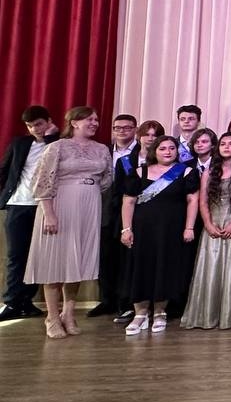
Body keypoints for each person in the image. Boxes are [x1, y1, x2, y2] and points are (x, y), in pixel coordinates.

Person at [24, 107, 112, 339]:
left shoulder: (102, 149)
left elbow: (106, 180)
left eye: (96, 119)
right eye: (89, 119)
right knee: (55, 261)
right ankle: (52, 317)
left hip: (89, 207)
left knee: (78, 262)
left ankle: (69, 314)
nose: (95, 123)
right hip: (60, 206)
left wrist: (88, 191)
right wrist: (49, 214)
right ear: (74, 122)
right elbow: (42, 181)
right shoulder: (57, 147)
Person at [119, 135, 199, 335]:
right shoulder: (139, 172)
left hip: (171, 229)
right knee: (141, 267)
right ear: (154, 151)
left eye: (171, 148)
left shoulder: (187, 172)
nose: (167, 152)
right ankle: (140, 313)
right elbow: (128, 201)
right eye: (162, 148)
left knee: (166, 266)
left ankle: (160, 312)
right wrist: (126, 229)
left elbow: (192, 201)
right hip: (143, 229)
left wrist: (189, 227)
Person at [182, 133, 231, 330]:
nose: (226, 147)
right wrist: (208, 224)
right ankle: (210, 313)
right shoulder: (209, 172)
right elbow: (202, 202)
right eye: (223, 144)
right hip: (214, 222)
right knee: (211, 266)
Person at [0, 107, 64, 321]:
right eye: (30, 126)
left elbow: (58, 163)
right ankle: (12, 302)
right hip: (18, 204)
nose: (35, 129)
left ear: (49, 122)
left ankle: (27, 302)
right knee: (16, 255)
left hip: (44, 206)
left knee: (38, 256)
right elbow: (5, 170)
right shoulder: (19, 143)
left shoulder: (58, 143)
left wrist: (51, 137)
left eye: (39, 124)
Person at [97, 119, 162, 322]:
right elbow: (118, 193)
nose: (150, 138)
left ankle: (154, 306)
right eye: (146, 134)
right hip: (127, 217)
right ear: (139, 136)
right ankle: (125, 305)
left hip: (155, 219)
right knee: (126, 263)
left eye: (155, 135)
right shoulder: (125, 162)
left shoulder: (166, 161)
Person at [90, 112, 141, 321]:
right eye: (117, 128)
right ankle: (106, 299)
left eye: (127, 128)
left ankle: (125, 302)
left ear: (135, 130)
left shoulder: (141, 152)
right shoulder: (103, 150)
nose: (122, 131)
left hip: (130, 208)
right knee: (105, 255)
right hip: (103, 207)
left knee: (125, 257)